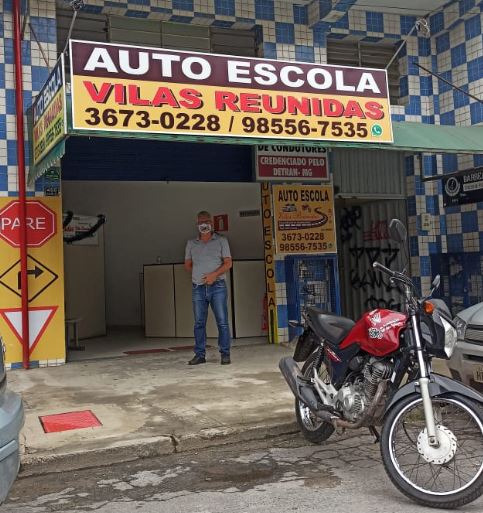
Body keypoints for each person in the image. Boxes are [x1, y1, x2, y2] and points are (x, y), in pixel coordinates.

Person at [184, 211, 232, 365]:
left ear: (211, 223)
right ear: (197, 224)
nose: (203, 224)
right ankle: (199, 355)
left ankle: (225, 354)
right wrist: (200, 274)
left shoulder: (221, 241)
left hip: (217, 286)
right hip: (198, 287)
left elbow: (228, 263)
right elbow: (188, 265)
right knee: (199, 322)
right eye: (201, 221)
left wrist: (213, 275)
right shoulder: (191, 243)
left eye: (206, 221)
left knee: (222, 321)